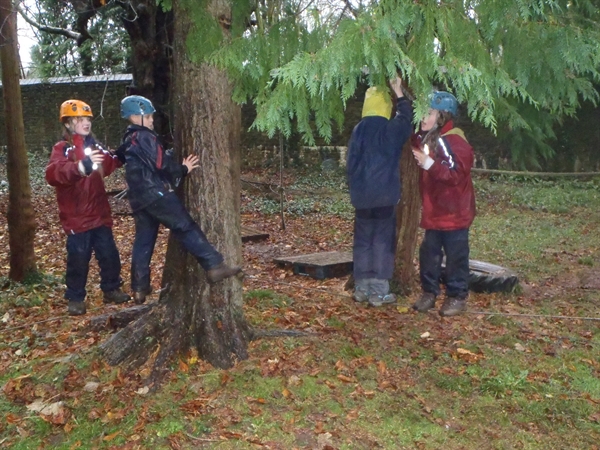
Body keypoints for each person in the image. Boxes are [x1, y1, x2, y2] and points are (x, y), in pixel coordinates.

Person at [117, 95, 242, 304]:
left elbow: (147, 161)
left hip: (139, 199)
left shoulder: (129, 139)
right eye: (149, 116)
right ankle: (214, 265)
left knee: (144, 241)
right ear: (135, 117)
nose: (152, 120)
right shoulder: (144, 136)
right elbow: (160, 164)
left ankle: (139, 287)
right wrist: (183, 169)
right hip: (155, 193)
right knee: (185, 227)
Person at [46, 99, 131, 316]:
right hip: (77, 217)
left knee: (109, 254)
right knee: (78, 259)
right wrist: (80, 167)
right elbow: (54, 174)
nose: (86, 123)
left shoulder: (93, 146)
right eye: (79, 119)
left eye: (87, 119)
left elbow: (110, 162)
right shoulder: (63, 149)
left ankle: (111, 288)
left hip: (99, 214)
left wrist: (124, 152)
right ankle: (75, 298)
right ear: (67, 123)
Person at [346, 77, 413, 307]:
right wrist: (399, 93)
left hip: (362, 198)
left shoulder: (358, 130)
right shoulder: (389, 129)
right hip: (385, 197)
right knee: (382, 242)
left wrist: (356, 189)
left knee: (363, 241)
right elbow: (406, 120)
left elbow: (350, 164)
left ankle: (361, 287)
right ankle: (379, 291)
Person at [411, 91, 476, 317]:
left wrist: (430, 164)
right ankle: (429, 292)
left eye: (429, 113)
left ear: (443, 116)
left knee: (456, 256)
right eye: (422, 112)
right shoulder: (428, 137)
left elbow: (456, 174)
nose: (423, 117)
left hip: (454, 213)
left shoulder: (454, 141)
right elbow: (414, 140)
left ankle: (457, 296)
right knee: (429, 254)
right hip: (435, 212)